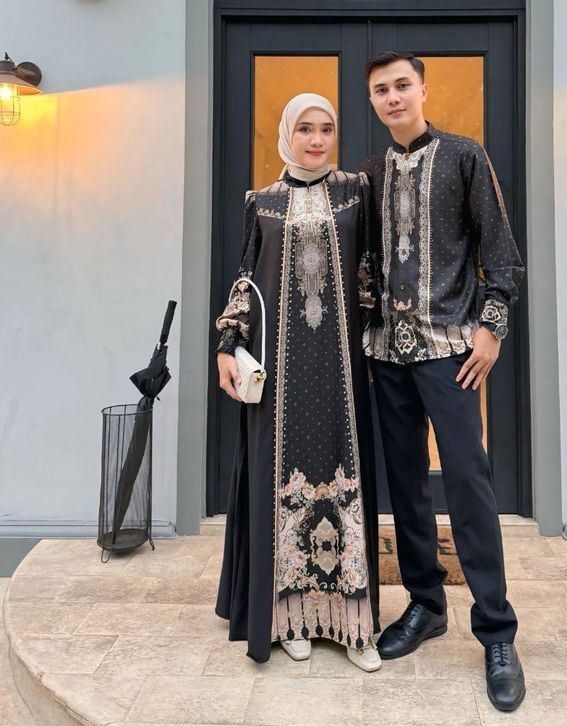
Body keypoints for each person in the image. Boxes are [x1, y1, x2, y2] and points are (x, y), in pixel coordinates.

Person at [359, 52, 526, 710]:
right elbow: (363, 262)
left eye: (402, 85)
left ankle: (497, 632)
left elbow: (501, 253)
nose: (393, 97)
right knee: (405, 486)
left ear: (423, 89)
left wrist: (492, 327)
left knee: (468, 482)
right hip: (386, 355)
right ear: (373, 100)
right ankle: (426, 605)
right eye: (381, 90)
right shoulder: (370, 174)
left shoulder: (463, 157)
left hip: (450, 351)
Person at [214, 93, 381, 672]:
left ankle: (354, 622)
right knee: (281, 478)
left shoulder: (356, 192)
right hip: (280, 370)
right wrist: (227, 345)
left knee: (344, 469)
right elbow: (245, 279)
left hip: (342, 368)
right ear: (288, 132)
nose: (316, 139)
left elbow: (372, 271)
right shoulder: (261, 202)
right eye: (305, 129)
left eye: (326, 129)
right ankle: (291, 618)